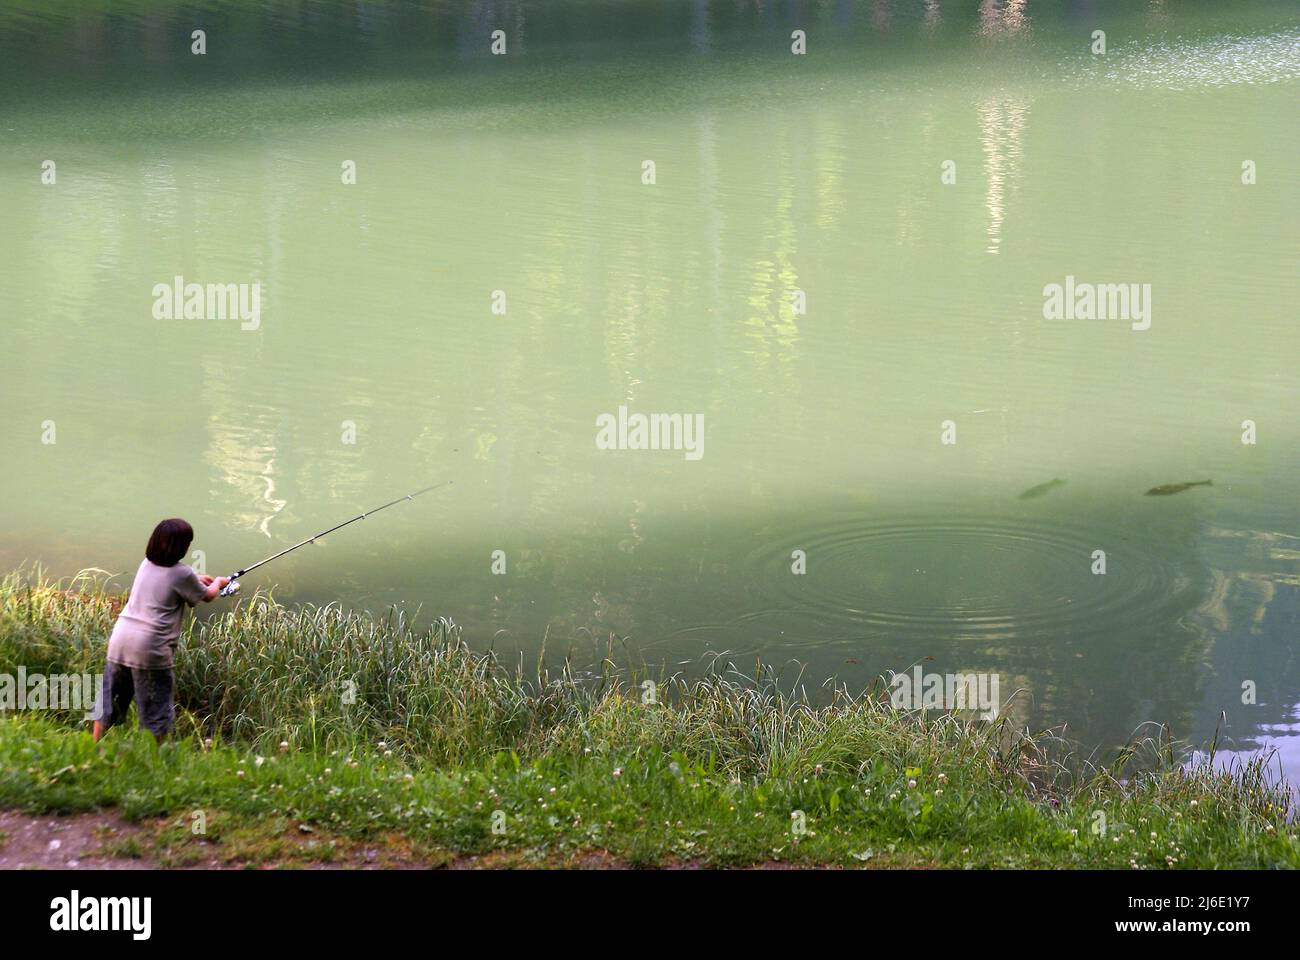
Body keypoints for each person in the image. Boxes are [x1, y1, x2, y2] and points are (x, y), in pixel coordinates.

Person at [92, 518, 228, 743]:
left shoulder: (146, 563)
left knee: (109, 701)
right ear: (181, 547)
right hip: (149, 649)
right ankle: (156, 761)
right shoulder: (182, 574)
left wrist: (195, 578)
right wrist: (219, 582)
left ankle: (94, 747)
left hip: (120, 641)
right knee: (156, 712)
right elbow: (208, 595)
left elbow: (173, 579)